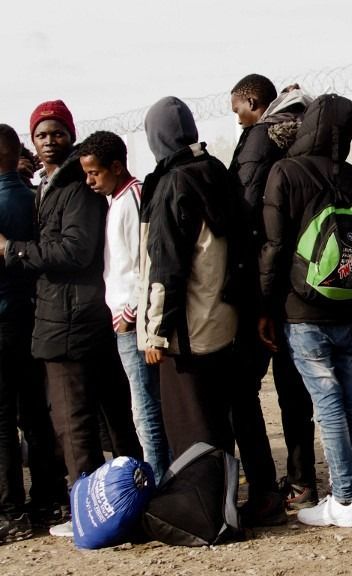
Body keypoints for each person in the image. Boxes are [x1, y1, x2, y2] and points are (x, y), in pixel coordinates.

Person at [0, 100, 142, 538]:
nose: (48, 142)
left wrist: (15, 250)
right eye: (41, 134)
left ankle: (89, 513)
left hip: (71, 316)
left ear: (70, 133)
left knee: (74, 419)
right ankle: (126, 499)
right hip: (67, 313)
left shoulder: (77, 187)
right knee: (102, 414)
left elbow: (77, 251)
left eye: (56, 132)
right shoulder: (50, 185)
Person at [259, 93, 352, 528]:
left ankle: (344, 499)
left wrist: (265, 306)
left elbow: (274, 247)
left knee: (326, 403)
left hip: (301, 309)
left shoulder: (284, 172)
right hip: (347, 305)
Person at [138, 97, 252, 517]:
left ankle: (206, 512)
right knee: (219, 422)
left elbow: (166, 267)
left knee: (190, 424)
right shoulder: (214, 171)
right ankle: (227, 504)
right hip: (223, 318)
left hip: (185, 329)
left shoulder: (172, 183)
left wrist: (155, 331)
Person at [229, 73, 317, 513]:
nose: (238, 119)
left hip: (263, 279)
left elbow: (246, 211)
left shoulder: (258, 141)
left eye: (238, 110)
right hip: (302, 279)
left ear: (251, 101)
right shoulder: (307, 135)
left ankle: (264, 486)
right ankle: (302, 480)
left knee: (243, 391)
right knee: (295, 389)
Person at [78, 130, 172, 484]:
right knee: (142, 407)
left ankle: (160, 481)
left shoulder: (133, 198)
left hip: (133, 323)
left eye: (94, 173)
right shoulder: (116, 199)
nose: (89, 181)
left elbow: (144, 264)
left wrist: (130, 314)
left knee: (146, 408)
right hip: (124, 319)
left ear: (116, 167)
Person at [0, 124, 65, 542]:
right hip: (34, 316)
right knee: (35, 413)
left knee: (4, 419)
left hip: (3, 317)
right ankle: (47, 497)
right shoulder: (34, 196)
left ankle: (10, 511)